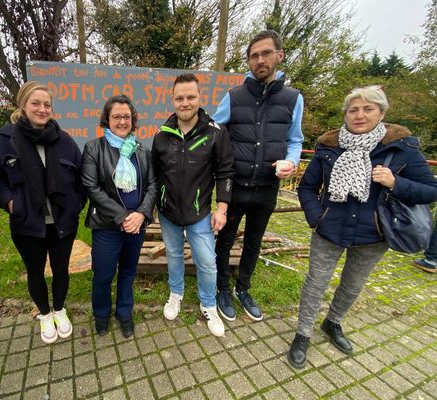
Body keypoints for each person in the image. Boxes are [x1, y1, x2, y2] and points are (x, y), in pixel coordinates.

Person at [288, 86, 437, 369]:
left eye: (367, 109)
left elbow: (431, 190)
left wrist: (396, 183)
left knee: (353, 284)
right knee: (315, 283)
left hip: (374, 233)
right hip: (329, 229)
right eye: (353, 109)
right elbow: (307, 186)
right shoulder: (328, 145)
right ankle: (302, 333)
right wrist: (316, 217)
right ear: (345, 114)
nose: (359, 115)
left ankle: (333, 323)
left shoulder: (401, 147)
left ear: (381, 113)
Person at [212, 30, 304, 322]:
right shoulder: (234, 96)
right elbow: (215, 129)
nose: (260, 60)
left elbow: (296, 139)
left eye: (266, 53)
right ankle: (222, 288)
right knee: (224, 241)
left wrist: (291, 161)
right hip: (236, 185)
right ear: (249, 62)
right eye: (254, 56)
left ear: (280, 55)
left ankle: (243, 289)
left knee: (254, 241)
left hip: (267, 187)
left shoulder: (293, 98)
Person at [0, 82, 85, 344]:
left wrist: (76, 203)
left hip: (62, 221)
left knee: (61, 269)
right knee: (35, 271)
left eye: (47, 104)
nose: (42, 109)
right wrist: (9, 202)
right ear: (23, 105)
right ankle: (45, 314)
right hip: (27, 222)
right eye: (36, 103)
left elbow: (80, 176)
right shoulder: (5, 141)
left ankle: (59, 310)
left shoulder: (63, 140)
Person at [151, 73, 234, 337]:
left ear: (200, 98)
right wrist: (152, 206)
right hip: (168, 212)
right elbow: (154, 174)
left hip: (200, 213)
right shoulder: (162, 135)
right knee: (174, 255)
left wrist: (222, 209)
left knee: (207, 262)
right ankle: (176, 293)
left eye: (190, 97)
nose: (185, 103)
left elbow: (226, 172)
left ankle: (208, 304)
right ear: (172, 100)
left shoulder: (215, 134)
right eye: (180, 98)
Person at [81, 95, 156, 338]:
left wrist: (142, 214)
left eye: (126, 116)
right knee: (103, 273)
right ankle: (101, 314)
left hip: (137, 226)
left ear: (132, 120)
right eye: (116, 117)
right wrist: (124, 216)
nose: (122, 121)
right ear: (107, 119)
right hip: (107, 225)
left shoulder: (142, 150)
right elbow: (91, 187)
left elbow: (153, 185)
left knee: (127, 271)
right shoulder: (94, 148)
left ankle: (124, 313)